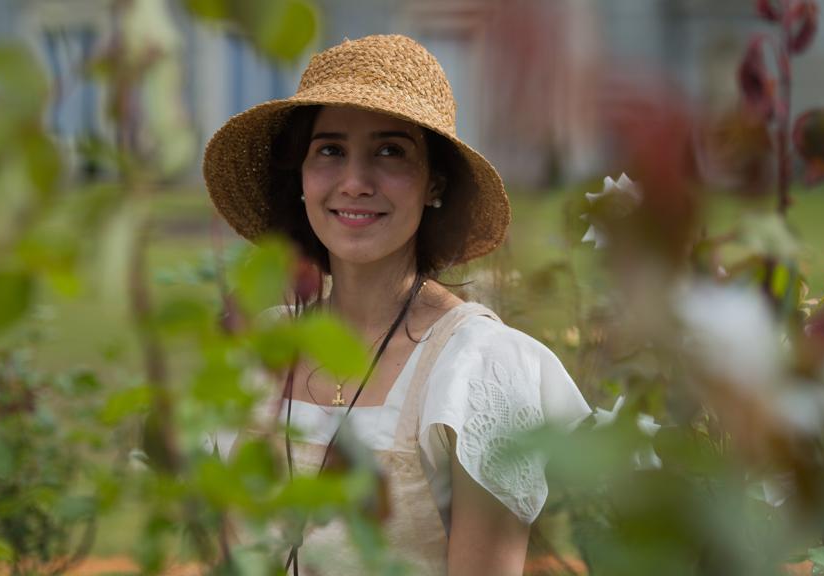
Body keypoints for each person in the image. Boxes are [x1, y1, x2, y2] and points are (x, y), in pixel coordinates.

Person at [203, 34, 590, 576]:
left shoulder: (478, 368)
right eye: (330, 150)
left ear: (435, 183)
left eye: (390, 151)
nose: (355, 182)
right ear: (301, 179)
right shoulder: (258, 352)